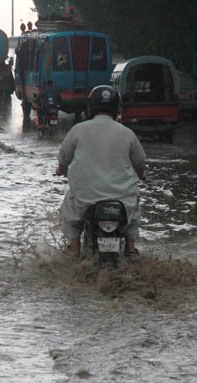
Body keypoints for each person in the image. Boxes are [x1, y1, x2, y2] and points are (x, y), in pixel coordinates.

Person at [55, 85, 146, 258]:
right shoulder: (127, 133)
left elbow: (64, 158)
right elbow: (140, 162)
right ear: (117, 108)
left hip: (86, 198)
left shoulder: (78, 129)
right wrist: (142, 175)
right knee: (134, 207)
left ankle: (74, 248)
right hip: (122, 198)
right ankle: (131, 247)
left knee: (70, 207)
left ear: (91, 106)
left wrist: (61, 170)